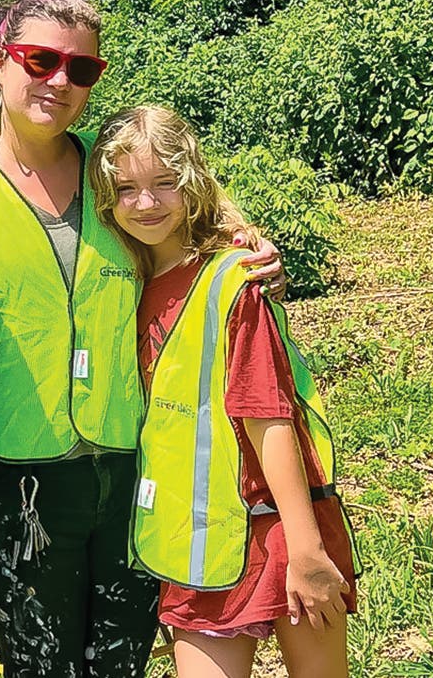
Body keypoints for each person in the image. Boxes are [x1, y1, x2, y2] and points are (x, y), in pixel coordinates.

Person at [0, 0, 283, 678]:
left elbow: (201, 229)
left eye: (82, 69)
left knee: (120, 666)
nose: (59, 81)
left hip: (134, 468)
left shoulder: (120, 169)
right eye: (40, 61)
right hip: (17, 478)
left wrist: (251, 244)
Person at [92, 105, 358, 678]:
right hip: (200, 539)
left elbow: (269, 414)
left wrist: (308, 550)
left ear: (192, 182)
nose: (146, 202)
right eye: (128, 187)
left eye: (165, 183)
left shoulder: (234, 279)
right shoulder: (124, 282)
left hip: (279, 525)